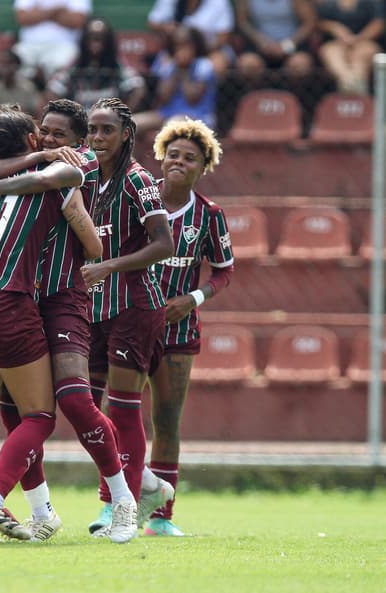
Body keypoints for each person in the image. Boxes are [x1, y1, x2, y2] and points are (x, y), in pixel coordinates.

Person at [0, 99, 135, 543]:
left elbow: (95, 248)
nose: (49, 139)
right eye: (44, 130)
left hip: (63, 299)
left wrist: (8, 188)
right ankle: (41, 511)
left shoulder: (77, 162)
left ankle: (123, 503)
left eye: (59, 134)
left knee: (77, 402)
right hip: (23, 300)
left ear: (78, 142)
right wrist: (29, 164)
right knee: (19, 411)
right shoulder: (32, 163)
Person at [0, 105, 94, 542]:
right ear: (32, 142)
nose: (51, 142)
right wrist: (45, 159)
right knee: (39, 416)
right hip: (7, 303)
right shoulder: (60, 172)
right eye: (43, 135)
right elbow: (88, 237)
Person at [81, 97, 175, 539]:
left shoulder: (139, 181)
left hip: (136, 305)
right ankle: (150, 485)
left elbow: (164, 244)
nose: (97, 138)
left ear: (125, 135)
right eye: (92, 130)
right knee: (96, 411)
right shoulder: (86, 180)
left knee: (122, 407)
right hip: (97, 307)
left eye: (105, 130)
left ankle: (121, 509)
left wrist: (109, 266)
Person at [143, 117, 233, 536]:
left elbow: (223, 272)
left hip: (179, 332)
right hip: (129, 324)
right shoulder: (138, 203)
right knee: (112, 415)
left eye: (190, 158)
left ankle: (161, 518)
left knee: (167, 420)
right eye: (174, 154)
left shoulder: (210, 215)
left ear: (204, 166)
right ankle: (114, 507)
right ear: (161, 158)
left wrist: (193, 298)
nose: (180, 162)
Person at [45, 17, 147, 112]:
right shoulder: (76, 66)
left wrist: (124, 117)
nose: (95, 41)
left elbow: (137, 87)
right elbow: (53, 88)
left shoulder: (116, 67)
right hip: (81, 123)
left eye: (100, 37)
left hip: (108, 123)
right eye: (91, 36)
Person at [134, 25, 219, 138]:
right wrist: (176, 68)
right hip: (168, 113)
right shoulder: (171, 65)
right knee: (131, 124)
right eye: (177, 45)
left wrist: (183, 71)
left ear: (195, 46)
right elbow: (164, 97)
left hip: (198, 116)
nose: (180, 49)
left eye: (185, 45)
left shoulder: (204, 65)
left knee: (171, 125)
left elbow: (192, 97)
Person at [147, 0, 236, 75]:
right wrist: (167, 27)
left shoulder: (219, 2)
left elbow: (223, 37)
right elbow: (153, 22)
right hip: (176, 49)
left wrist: (196, 51)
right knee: (163, 67)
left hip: (209, 50)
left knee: (215, 65)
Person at [235, 0, 317, 80]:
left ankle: (294, 93)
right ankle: (257, 93)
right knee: (248, 64)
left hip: (292, 46)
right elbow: (242, 22)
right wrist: (260, 41)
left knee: (299, 64)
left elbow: (309, 23)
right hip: (259, 46)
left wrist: (287, 45)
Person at [14, 0, 91, 84]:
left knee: (63, 66)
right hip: (28, 45)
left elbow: (77, 21)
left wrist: (39, 12)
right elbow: (22, 18)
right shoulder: (58, 9)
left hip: (64, 45)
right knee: (14, 59)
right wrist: (56, 11)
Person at [316, 0, 384, 94]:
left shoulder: (371, 3)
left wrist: (358, 38)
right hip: (337, 44)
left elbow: (378, 24)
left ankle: (358, 94)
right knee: (330, 52)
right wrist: (334, 28)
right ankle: (349, 82)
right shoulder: (328, 4)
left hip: (365, 42)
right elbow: (319, 23)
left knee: (360, 58)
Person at [0, 48, 42, 115]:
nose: (4, 67)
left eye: (8, 63)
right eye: (1, 63)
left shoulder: (28, 88)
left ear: (16, 65)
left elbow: (36, 110)